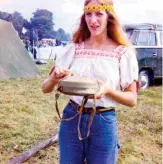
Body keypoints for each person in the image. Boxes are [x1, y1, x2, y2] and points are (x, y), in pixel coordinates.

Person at [41, 0, 139, 163]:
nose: (93, 20)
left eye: (99, 14)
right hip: (71, 117)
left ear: (109, 17)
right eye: (88, 14)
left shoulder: (122, 53)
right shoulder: (74, 49)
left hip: (103, 121)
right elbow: (45, 89)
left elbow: (132, 100)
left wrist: (108, 90)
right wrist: (53, 78)